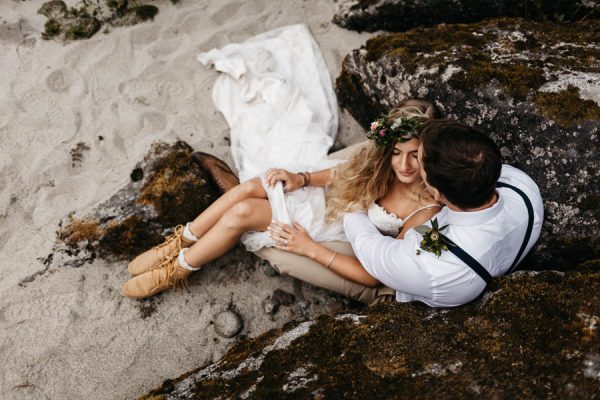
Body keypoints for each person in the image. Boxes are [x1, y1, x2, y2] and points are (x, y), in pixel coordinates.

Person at [120, 100, 442, 300]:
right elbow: (349, 175)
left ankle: (176, 272)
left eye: (415, 155)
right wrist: (301, 179)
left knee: (245, 211)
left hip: (349, 243)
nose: (404, 165)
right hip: (341, 207)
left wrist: (309, 248)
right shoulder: (386, 164)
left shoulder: (426, 210)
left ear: (429, 153)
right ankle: (178, 243)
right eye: (397, 153)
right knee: (250, 189)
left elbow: (378, 274)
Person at [343, 120, 544, 307]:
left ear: (437, 193)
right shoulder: (523, 188)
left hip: (407, 292)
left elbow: (367, 246)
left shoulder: (431, 266)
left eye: (418, 162)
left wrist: (351, 202)